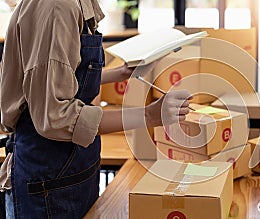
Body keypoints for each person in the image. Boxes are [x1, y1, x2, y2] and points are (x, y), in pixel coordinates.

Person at [0, 0, 191, 218]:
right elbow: (54, 117)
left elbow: (64, 77)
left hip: (71, 168)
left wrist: (120, 73)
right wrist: (148, 115)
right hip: (48, 176)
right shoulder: (57, 6)